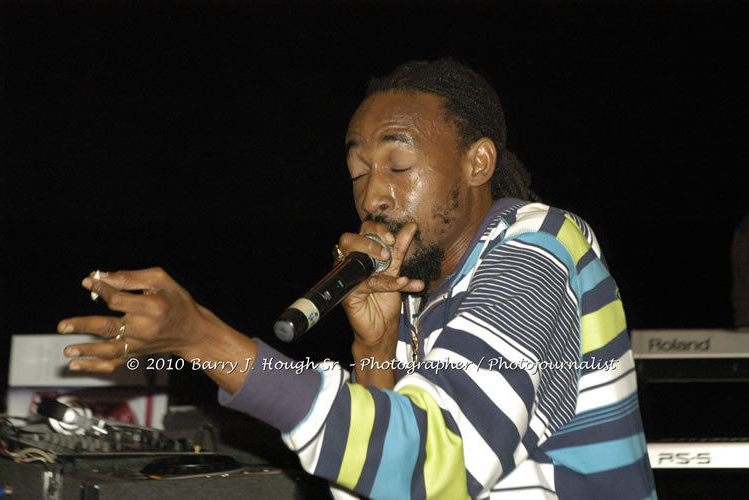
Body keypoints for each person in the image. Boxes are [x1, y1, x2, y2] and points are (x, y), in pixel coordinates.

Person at [57, 59, 656, 499]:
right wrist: (375, 350)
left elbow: (440, 463)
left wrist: (204, 340)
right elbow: (385, 484)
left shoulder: (536, 249)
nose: (372, 196)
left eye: (399, 164)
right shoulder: (423, 285)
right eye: (358, 172)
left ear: (477, 162)